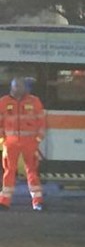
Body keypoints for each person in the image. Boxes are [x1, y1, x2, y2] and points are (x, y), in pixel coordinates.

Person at [0, 76, 46, 211]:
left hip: (29, 143)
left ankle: (37, 201)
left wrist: (37, 139)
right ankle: (4, 201)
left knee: (32, 171)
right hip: (10, 142)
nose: (19, 88)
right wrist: (2, 140)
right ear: (12, 87)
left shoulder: (35, 101)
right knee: (9, 171)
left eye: (21, 86)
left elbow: (41, 122)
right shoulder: (3, 102)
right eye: (16, 86)